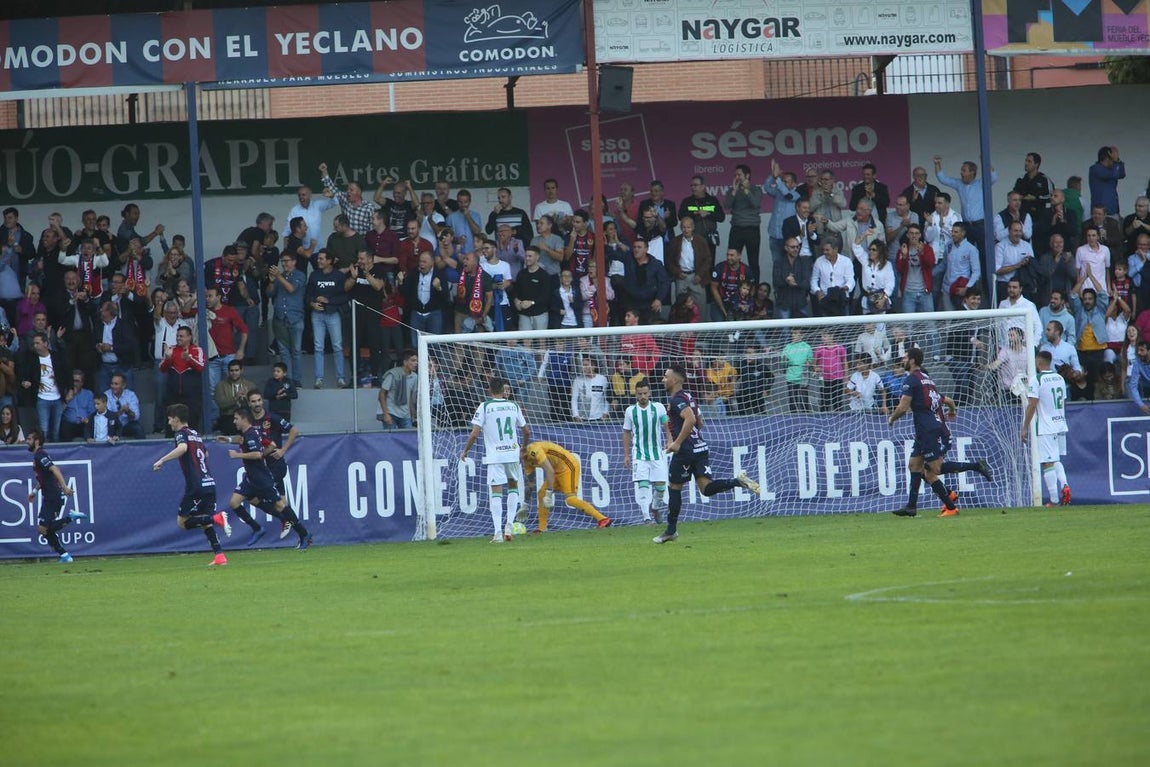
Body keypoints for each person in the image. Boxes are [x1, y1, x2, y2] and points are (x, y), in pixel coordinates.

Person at [654, 364, 761, 544]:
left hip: (686, 451)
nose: (663, 379)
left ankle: (671, 530)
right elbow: (700, 422)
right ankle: (738, 481)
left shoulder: (676, 400)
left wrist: (677, 443)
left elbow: (691, 419)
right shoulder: (689, 396)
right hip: (700, 447)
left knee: (674, 488)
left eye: (665, 376)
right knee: (706, 489)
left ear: (674, 380)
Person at [152, 404, 231, 566]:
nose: (169, 423)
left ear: (176, 418)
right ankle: (219, 556)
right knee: (204, 522)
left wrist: (162, 460)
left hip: (196, 485)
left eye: (169, 419)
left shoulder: (181, 434)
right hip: (209, 482)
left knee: (182, 522)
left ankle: (216, 518)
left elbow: (183, 448)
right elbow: (205, 453)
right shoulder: (195, 434)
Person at [224, 406, 312, 550]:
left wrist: (238, 455)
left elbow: (257, 454)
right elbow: (272, 445)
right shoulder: (254, 432)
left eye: (236, 418)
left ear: (244, 419)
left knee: (280, 505)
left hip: (261, 477)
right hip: (250, 477)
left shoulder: (251, 434)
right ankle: (257, 528)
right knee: (235, 502)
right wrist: (227, 439)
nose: (234, 421)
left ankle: (304, 533)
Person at [461, 376, 529, 543]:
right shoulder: (513, 405)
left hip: (495, 456)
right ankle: (509, 526)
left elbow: (475, 433)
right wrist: (524, 447)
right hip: (512, 455)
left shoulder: (485, 406)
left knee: (496, 492)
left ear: (490, 389)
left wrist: (465, 451)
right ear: (503, 389)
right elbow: (526, 431)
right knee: (513, 489)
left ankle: (498, 532)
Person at [520, 439, 612, 533]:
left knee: (570, 499)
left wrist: (549, 493)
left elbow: (549, 471)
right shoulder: (526, 460)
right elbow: (530, 484)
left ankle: (602, 519)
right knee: (541, 493)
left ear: (522, 450)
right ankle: (542, 528)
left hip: (568, 465)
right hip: (556, 470)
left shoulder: (534, 451)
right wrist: (525, 504)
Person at [246, 389, 300, 540]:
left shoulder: (272, 418)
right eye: (253, 401)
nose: (256, 404)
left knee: (252, 495)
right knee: (282, 503)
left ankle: (285, 520)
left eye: (258, 400)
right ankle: (302, 534)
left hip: (275, 465)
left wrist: (283, 450)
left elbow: (294, 430)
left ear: (262, 400)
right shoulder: (249, 421)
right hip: (262, 467)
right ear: (249, 403)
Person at [1021, 350, 1072, 508]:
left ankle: (1054, 500)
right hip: (1060, 424)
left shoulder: (1037, 379)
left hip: (1046, 426)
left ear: (1038, 362)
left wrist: (1024, 427)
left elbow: (1032, 405)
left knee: (1047, 462)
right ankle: (1064, 485)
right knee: (1055, 459)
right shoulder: (1060, 378)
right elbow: (1062, 401)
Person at [27, 429, 85, 563]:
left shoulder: (40, 455)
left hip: (52, 496)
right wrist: (34, 492)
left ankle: (70, 517)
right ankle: (64, 556)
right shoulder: (39, 456)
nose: (26, 441)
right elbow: (44, 478)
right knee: (45, 529)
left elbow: (54, 469)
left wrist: (64, 487)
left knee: (43, 528)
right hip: (50, 496)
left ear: (36, 441)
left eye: (29, 439)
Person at [621, 379, 671, 525]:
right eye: (639, 394)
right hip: (639, 454)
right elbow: (626, 432)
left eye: (644, 393)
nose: (642, 396)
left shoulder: (659, 407)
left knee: (661, 486)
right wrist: (626, 455)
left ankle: (655, 508)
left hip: (657, 454)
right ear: (636, 395)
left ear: (649, 393)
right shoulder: (630, 411)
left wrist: (669, 440)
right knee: (643, 485)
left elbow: (667, 425)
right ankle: (646, 517)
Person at [377, 348, 418, 430]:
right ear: (405, 362)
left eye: (416, 361)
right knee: (390, 440)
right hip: (391, 413)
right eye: (413, 361)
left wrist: (413, 415)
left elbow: (409, 397)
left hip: (405, 415)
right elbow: (382, 394)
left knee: (407, 439)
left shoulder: (414, 376)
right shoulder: (393, 374)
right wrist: (386, 414)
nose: (416, 363)